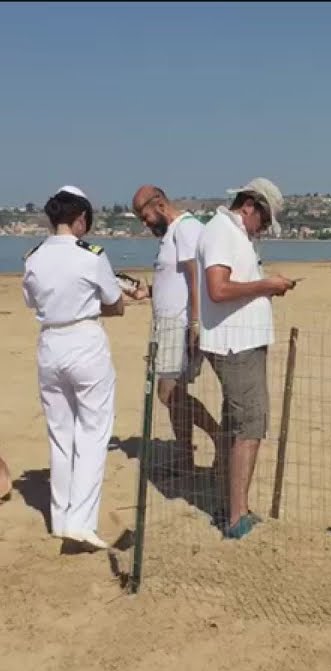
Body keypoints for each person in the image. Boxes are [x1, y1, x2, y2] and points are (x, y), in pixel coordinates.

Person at [21, 186, 125, 552]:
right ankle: (81, 522)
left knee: (60, 435)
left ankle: (62, 519)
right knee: (94, 434)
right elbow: (115, 303)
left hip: (50, 343)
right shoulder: (91, 256)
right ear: (80, 218)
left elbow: (31, 300)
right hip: (84, 341)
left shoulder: (33, 257)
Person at [197, 177, 295, 539]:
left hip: (240, 342)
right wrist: (266, 285)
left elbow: (229, 287)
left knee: (239, 424)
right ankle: (237, 515)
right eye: (265, 221)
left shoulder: (233, 234)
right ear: (250, 206)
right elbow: (218, 289)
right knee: (249, 426)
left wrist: (264, 289)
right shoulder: (222, 231)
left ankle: (231, 505)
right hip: (234, 345)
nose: (264, 229)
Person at [130, 185, 221, 476]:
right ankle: (185, 458)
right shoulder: (172, 234)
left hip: (182, 324)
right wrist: (151, 291)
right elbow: (177, 280)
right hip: (169, 324)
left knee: (168, 392)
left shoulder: (185, 228)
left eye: (144, 216)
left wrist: (195, 322)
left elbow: (196, 278)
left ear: (158, 205)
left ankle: (218, 437)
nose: (144, 223)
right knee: (173, 393)